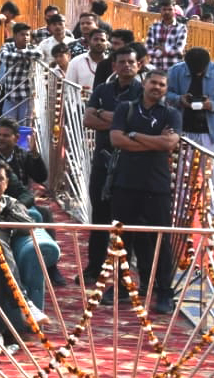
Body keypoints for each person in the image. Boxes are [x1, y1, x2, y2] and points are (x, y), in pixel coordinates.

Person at [109, 69, 181, 314]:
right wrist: (154, 142)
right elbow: (116, 140)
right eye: (153, 83)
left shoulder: (171, 114)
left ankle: (164, 292)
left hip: (156, 186)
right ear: (145, 83)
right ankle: (121, 286)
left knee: (161, 241)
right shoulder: (125, 108)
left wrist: (134, 136)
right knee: (121, 238)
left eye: (162, 85)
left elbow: (169, 143)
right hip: (125, 183)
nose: (157, 87)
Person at [0, 157, 59, 331]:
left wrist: (6, 211)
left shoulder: (11, 202)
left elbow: (29, 226)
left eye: (0, 179)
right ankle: (25, 303)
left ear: (7, 183)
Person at [82, 46, 142, 279]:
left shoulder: (142, 92)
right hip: (102, 160)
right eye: (122, 62)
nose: (126, 66)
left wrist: (103, 114)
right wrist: (121, 120)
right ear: (114, 66)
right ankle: (94, 267)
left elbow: (137, 125)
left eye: (131, 62)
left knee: (126, 219)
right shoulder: (102, 89)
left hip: (130, 163)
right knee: (99, 215)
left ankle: (123, 274)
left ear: (138, 66)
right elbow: (88, 120)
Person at [165, 47, 214, 155]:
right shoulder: (175, 71)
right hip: (182, 131)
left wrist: (212, 105)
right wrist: (179, 99)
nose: (197, 74)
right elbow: (164, 94)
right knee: (181, 165)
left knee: (211, 165)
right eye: (193, 71)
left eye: (201, 71)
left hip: (212, 134)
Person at [147, 0, 188, 70]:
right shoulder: (153, 27)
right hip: (156, 68)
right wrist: (169, 49)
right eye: (164, 9)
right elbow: (148, 48)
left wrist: (160, 48)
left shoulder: (181, 28)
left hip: (174, 69)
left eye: (170, 9)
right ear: (160, 10)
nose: (167, 12)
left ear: (174, 11)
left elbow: (178, 49)